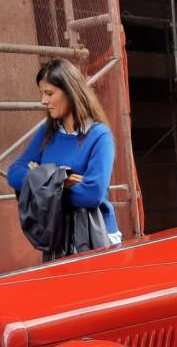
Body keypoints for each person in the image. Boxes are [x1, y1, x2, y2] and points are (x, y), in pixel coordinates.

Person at [8, 58, 120, 252]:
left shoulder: (99, 135)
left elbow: (92, 195)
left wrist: (41, 183)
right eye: (42, 93)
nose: (43, 101)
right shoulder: (47, 132)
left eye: (49, 93)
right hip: (56, 237)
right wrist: (59, 180)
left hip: (96, 236)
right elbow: (14, 174)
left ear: (70, 91)